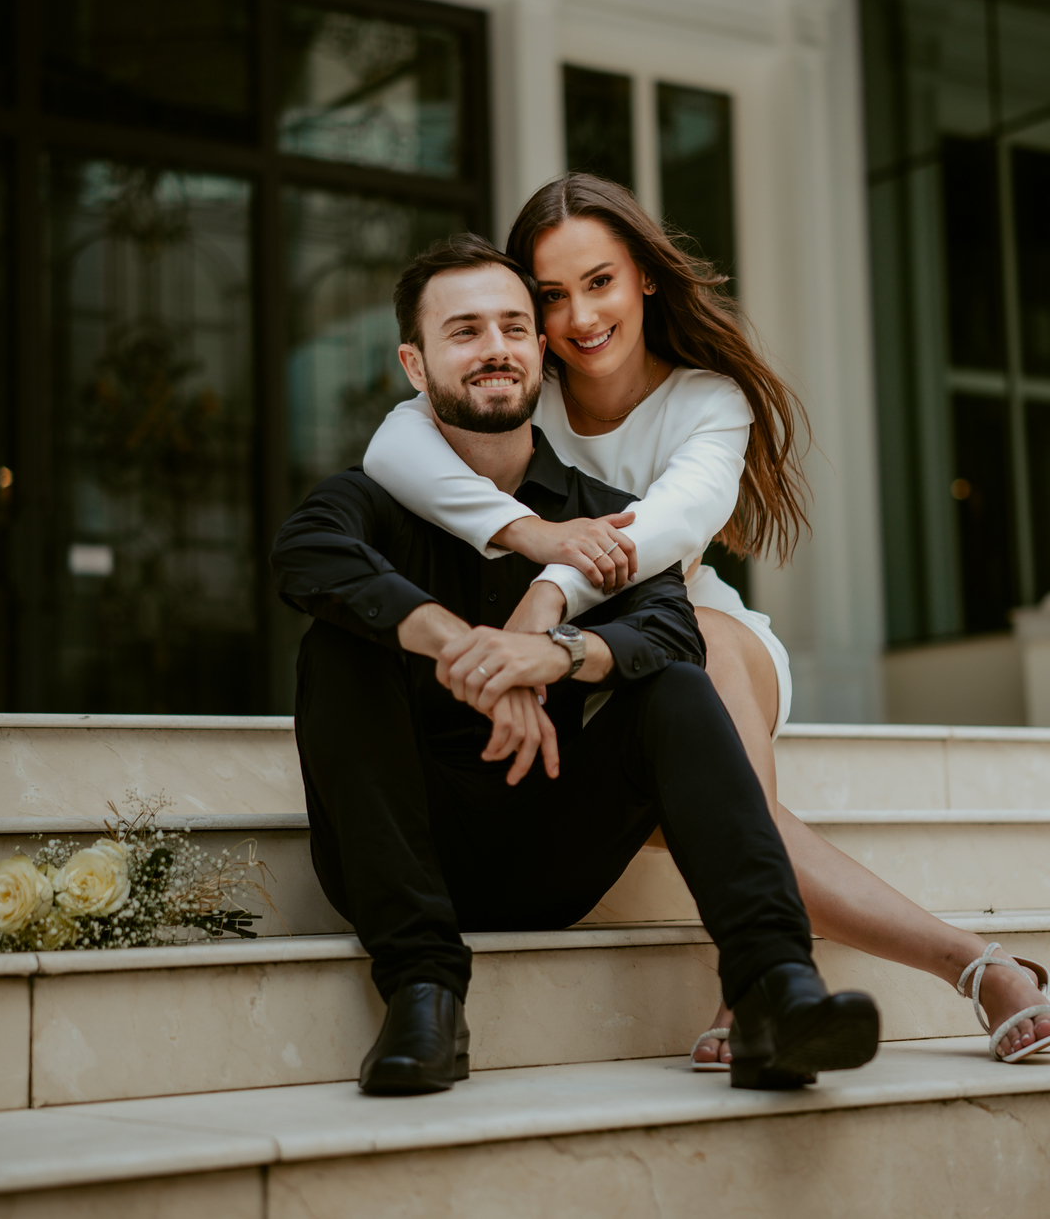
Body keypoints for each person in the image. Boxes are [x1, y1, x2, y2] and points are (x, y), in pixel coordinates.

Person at [362, 175, 1050, 1067]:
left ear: (645, 279)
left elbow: (662, 532)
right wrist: (538, 539)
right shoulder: (520, 382)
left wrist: (543, 599)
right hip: (576, 677)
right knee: (747, 826)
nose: (579, 316)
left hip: (683, 632)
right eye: (549, 296)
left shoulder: (707, 401)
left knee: (707, 664)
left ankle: (761, 981)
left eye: (601, 281)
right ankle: (972, 964)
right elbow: (391, 445)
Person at [271, 233, 880, 1096]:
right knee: (337, 645)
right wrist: (465, 646)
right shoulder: (369, 502)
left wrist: (552, 656)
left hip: (549, 844)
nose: (496, 349)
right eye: (466, 331)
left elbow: (668, 625)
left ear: (540, 353)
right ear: (416, 364)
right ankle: (424, 996)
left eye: (516, 328)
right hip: (401, 853)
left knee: (675, 676)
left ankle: (774, 987)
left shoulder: (602, 519)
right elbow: (303, 556)